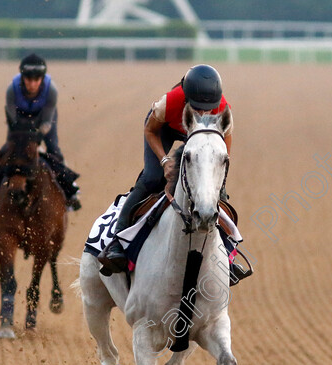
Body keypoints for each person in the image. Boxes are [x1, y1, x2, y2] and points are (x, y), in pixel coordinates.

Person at [97, 64, 233, 275]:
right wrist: (164, 160)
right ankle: (117, 241)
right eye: (197, 107)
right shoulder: (169, 102)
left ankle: (229, 254)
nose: (203, 113)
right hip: (164, 131)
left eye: (208, 109)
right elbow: (150, 130)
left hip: (203, 136)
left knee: (219, 192)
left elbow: (224, 149)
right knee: (152, 179)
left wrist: (220, 179)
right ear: (186, 99)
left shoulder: (223, 109)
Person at [0, 53, 81, 211]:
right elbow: (12, 119)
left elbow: (47, 121)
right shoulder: (11, 90)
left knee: (53, 150)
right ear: (22, 77)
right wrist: (22, 137)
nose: (32, 84)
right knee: (8, 151)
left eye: (36, 80)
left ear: (42, 78)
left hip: (43, 120)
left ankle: (70, 190)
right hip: (18, 123)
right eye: (28, 79)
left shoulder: (51, 90)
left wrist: (37, 138)